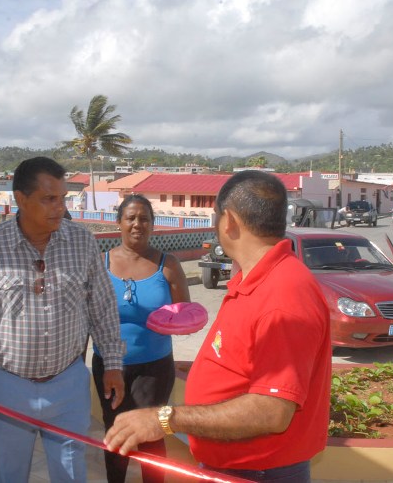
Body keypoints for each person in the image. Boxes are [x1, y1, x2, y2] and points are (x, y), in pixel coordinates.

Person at [105, 170, 331, 483]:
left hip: (259, 471)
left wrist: (167, 417)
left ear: (229, 221)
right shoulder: (255, 281)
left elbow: (272, 411)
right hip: (237, 465)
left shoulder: (283, 296)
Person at [0, 156, 126, 482]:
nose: (59, 207)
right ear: (20, 199)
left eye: (63, 199)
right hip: (5, 387)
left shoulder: (82, 242)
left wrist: (112, 363)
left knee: (72, 474)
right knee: (8, 474)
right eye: (49, 199)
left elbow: (102, 308)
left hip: (68, 384)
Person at [92, 194, 190, 483]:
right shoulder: (100, 263)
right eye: (131, 218)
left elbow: (185, 313)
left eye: (144, 218)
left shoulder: (168, 265)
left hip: (155, 366)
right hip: (109, 365)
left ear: (153, 224)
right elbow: (89, 316)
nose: (137, 224)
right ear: (119, 223)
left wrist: (170, 322)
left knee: (151, 434)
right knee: (116, 429)